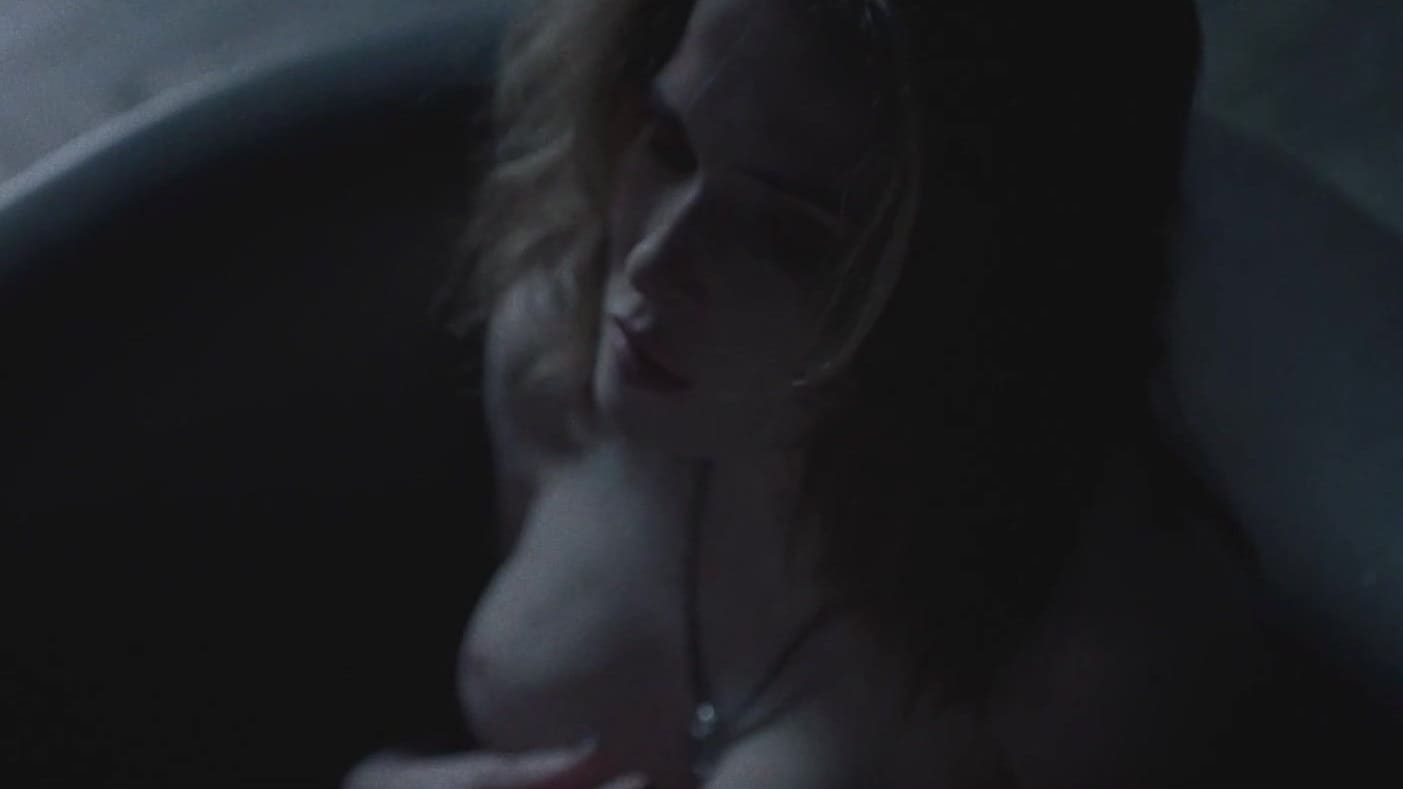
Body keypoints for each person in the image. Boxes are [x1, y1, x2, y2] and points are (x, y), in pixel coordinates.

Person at [347, 0, 1260, 786]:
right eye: (669, 141)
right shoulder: (557, 345)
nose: (653, 261)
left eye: (786, 234)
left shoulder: (1092, 649)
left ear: (973, 301)